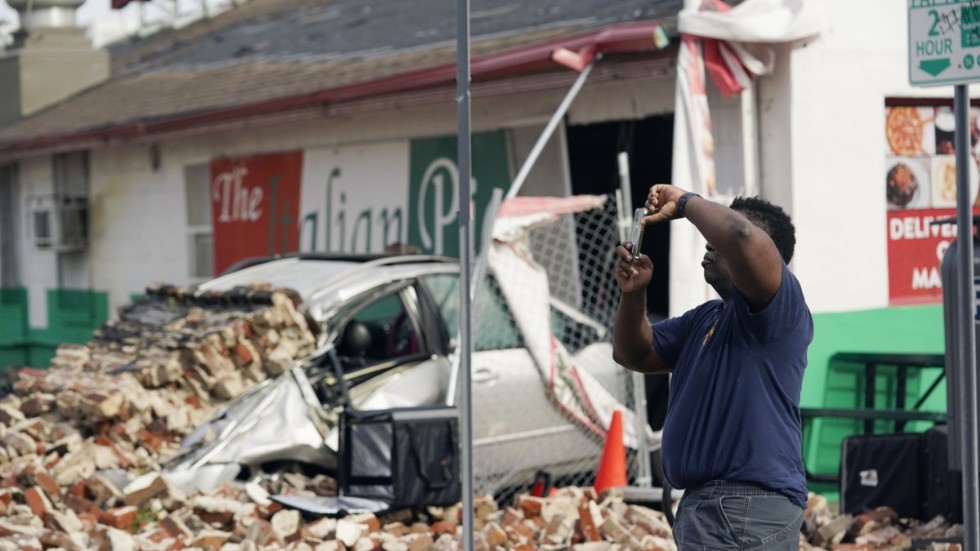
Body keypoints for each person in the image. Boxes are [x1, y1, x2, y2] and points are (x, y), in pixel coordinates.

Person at [612, 184, 813, 550]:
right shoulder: (708, 318)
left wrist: (686, 202)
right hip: (712, 508)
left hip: (744, 507)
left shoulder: (778, 310)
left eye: (718, 240)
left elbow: (738, 233)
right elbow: (634, 354)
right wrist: (634, 294)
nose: (709, 243)